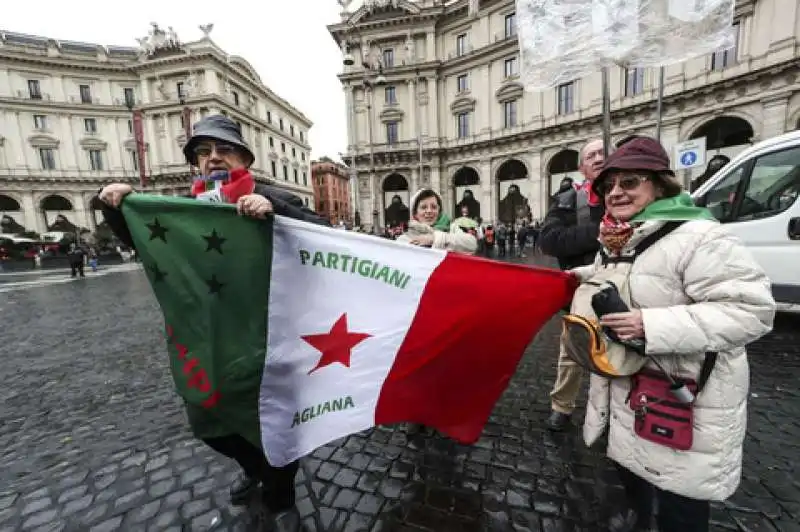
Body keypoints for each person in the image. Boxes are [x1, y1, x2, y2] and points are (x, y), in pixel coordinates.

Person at [97, 115, 327, 531]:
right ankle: (255, 468)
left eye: (224, 149)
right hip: (208, 341)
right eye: (203, 152)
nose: (213, 158)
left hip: (271, 336)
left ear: (244, 158)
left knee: (275, 422)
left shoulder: (271, 194)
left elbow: (325, 234)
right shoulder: (182, 209)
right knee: (209, 421)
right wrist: (120, 206)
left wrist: (274, 211)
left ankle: (280, 497)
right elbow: (140, 240)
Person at [572, 136, 775, 531]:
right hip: (634, 393)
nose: (616, 192)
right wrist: (573, 280)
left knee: (679, 504)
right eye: (608, 185)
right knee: (636, 475)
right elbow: (625, 276)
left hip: (686, 400)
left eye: (629, 182)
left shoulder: (700, 236)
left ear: (660, 185)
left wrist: (649, 324)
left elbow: (751, 310)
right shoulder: (621, 236)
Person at [538, 138, 605, 431]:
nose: (599, 158)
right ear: (582, 167)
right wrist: (602, 232)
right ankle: (562, 406)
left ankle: (611, 410)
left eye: (605, 152)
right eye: (592, 155)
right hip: (580, 292)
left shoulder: (633, 194)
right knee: (571, 352)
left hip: (628, 290)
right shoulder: (568, 199)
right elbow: (550, 241)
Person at [395, 188, 477, 254]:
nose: (429, 211)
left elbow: (472, 244)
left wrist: (435, 238)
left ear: (439, 211)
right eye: (423, 207)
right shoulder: (404, 239)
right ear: (415, 213)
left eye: (434, 207)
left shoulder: (452, 228)